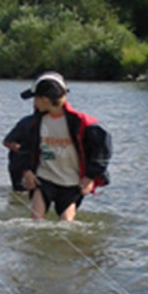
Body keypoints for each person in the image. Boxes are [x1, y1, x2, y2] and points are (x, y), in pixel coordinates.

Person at [15, 71, 111, 222]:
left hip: (72, 182)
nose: (34, 103)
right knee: (36, 219)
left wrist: (90, 177)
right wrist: (26, 171)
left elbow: (102, 152)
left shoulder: (84, 123)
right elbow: (24, 148)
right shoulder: (34, 122)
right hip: (44, 177)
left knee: (66, 222)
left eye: (35, 99)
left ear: (45, 99)